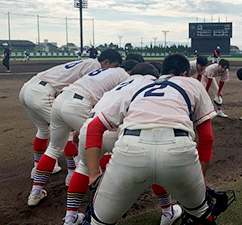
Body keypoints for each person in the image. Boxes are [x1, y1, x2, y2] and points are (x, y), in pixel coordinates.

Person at [83, 54, 218, 225]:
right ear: (184, 73)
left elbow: (95, 127)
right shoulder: (193, 84)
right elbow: (206, 138)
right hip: (178, 148)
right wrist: (200, 179)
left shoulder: (138, 89)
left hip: (130, 149)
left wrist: (94, 174)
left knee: (98, 221)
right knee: (201, 212)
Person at [63, 62, 182, 225]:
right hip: (115, 131)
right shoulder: (151, 83)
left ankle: (70, 218)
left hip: (90, 127)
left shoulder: (119, 85)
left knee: (83, 167)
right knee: (153, 164)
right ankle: (167, 212)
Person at [27, 49, 123, 207]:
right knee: (103, 143)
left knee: (53, 147)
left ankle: (35, 193)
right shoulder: (114, 72)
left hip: (58, 97)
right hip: (72, 101)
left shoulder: (95, 68)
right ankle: (103, 189)